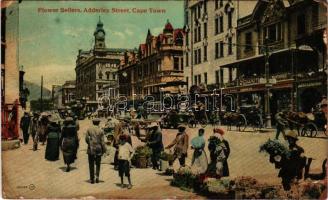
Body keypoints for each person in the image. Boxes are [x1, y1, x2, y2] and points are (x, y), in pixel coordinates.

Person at [85, 118, 106, 184]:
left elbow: (86, 139)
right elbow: (102, 142)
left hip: (91, 148)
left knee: (91, 164)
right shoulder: (101, 130)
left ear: (93, 122)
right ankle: (97, 177)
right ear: (99, 123)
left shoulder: (89, 129)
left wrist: (90, 144)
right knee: (98, 164)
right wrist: (104, 149)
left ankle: (92, 179)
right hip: (98, 148)